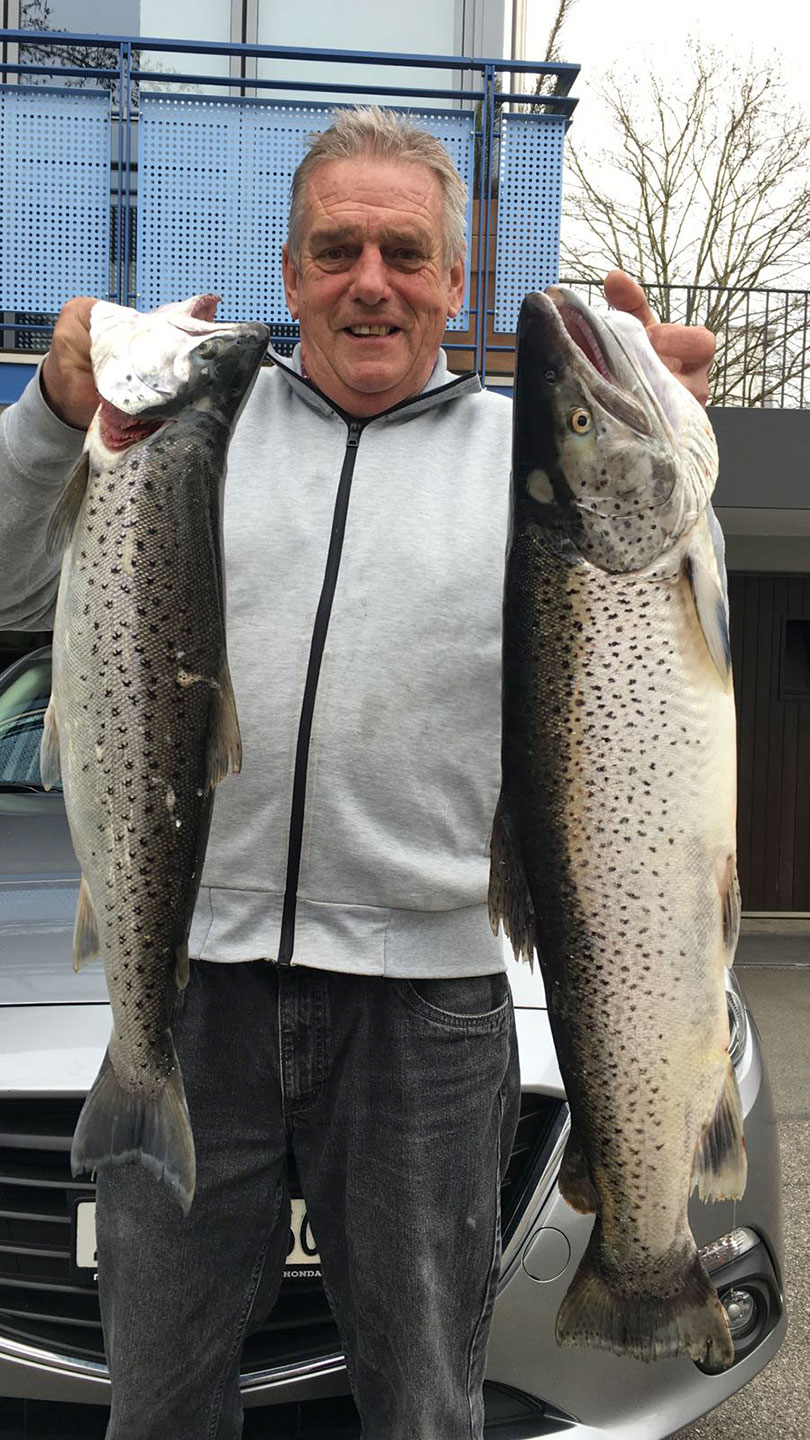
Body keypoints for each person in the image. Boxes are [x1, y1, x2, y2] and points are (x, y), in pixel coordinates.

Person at [0, 108, 715, 1440]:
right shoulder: (186, 426)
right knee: (160, 1405)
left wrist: (662, 434)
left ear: (457, 283)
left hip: (427, 1011)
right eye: (336, 250)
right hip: (194, 983)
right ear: (290, 274)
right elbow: (6, 583)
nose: (369, 282)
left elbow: (650, 673)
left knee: (424, 1405)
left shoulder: (534, 463)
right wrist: (49, 417)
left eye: (405, 252)